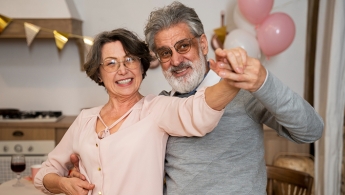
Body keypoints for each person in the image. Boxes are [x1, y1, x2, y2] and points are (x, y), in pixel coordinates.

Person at [68, 1, 324, 194]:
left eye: (183, 46)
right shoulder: (160, 107)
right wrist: (84, 169)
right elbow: (126, 163)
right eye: (165, 53)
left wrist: (263, 82)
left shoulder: (242, 92)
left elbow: (311, 131)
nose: (176, 60)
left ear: (202, 44)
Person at [33, 28, 244, 195]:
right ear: (98, 74)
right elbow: (44, 174)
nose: (122, 69)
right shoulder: (85, 119)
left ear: (141, 67)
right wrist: (63, 184)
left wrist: (232, 82)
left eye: (130, 59)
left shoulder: (156, 109)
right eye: (111, 63)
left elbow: (197, 112)